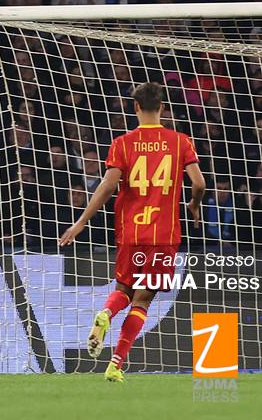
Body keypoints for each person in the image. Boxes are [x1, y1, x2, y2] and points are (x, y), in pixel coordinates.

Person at [59, 82, 206, 382]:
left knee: (124, 290)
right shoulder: (180, 141)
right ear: (162, 107)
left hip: (130, 233)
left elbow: (108, 185)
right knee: (143, 300)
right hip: (163, 235)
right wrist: (194, 203)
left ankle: (106, 314)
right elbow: (199, 183)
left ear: (135, 107)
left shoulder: (122, 143)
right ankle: (115, 364)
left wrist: (81, 221)